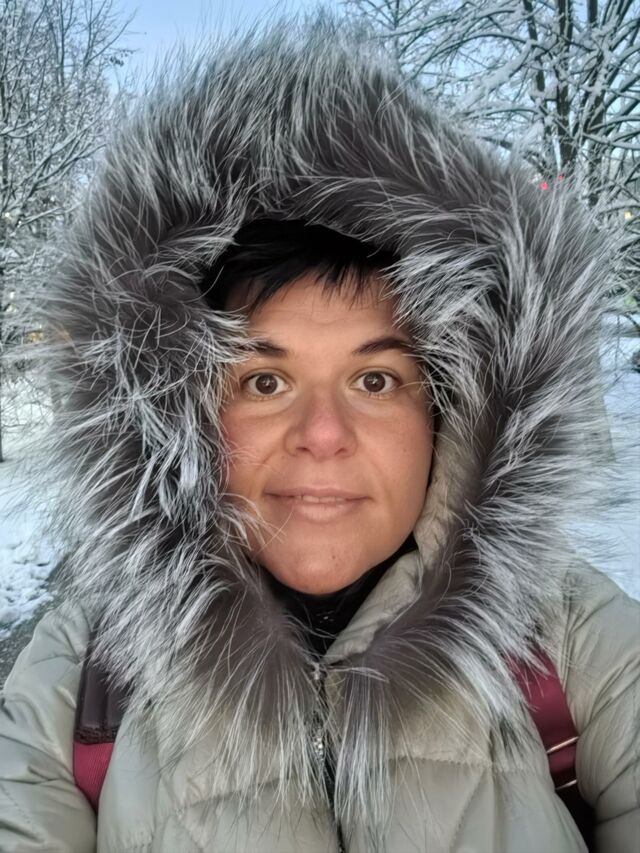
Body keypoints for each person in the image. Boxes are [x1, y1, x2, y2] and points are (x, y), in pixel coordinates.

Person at [1, 13, 638, 853]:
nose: (324, 434)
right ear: (176, 414)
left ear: (452, 412)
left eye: (376, 380)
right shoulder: (75, 682)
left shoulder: (578, 645)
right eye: (264, 381)